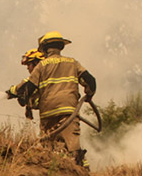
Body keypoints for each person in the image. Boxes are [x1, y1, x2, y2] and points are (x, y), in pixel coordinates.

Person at [7, 31, 97, 166]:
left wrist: (24, 100)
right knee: (73, 149)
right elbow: (90, 81)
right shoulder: (73, 63)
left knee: (48, 149)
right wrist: (89, 95)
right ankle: (81, 172)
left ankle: (52, 172)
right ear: (61, 46)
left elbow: (28, 89)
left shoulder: (41, 66)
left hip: (47, 114)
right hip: (68, 112)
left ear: (44, 48)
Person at [7, 48, 45, 120]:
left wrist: (12, 91)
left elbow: (24, 85)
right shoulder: (49, 74)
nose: (27, 68)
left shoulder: (36, 78)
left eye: (29, 64)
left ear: (36, 63)